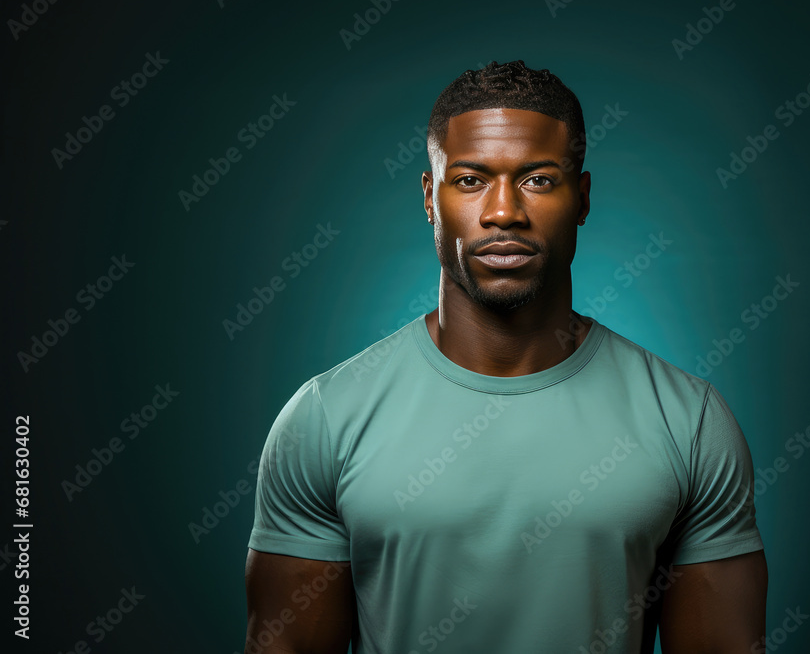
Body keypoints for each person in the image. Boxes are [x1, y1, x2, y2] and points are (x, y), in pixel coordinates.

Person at [244, 59, 767, 654]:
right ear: (428, 197)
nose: (502, 212)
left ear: (583, 197)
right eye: (469, 180)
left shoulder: (689, 422)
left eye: (538, 179)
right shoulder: (325, 418)